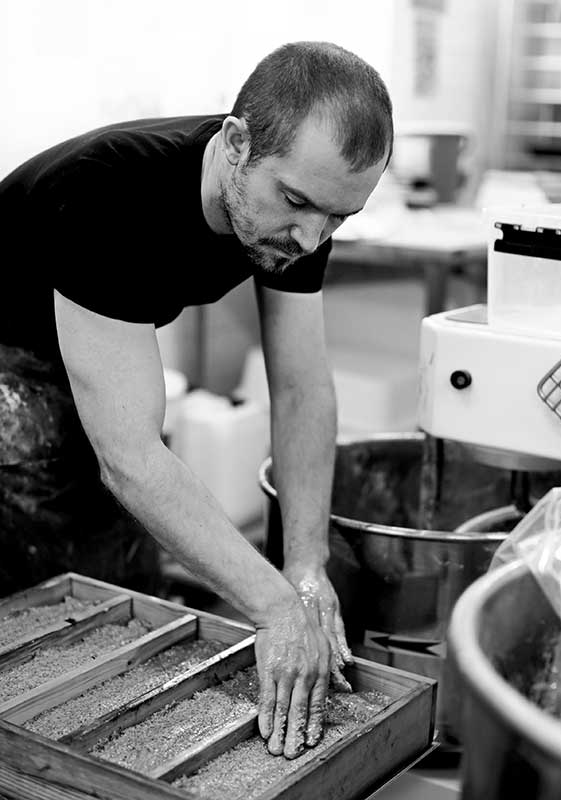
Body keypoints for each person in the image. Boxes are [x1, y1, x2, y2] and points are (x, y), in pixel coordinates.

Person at [0, 41, 392, 760]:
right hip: (8, 379)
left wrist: (305, 569)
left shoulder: (304, 205)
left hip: (82, 360)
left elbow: (302, 388)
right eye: (299, 204)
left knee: (121, 595)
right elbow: (129, 457)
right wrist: (273, 607)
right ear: (236, 143)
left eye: (338, 219)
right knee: (31, 630)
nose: (311, 239)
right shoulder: (111, 192)